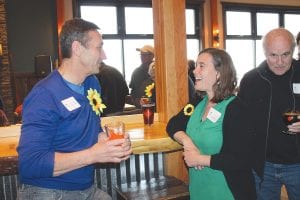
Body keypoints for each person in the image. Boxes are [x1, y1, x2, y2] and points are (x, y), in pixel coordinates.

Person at [17, 18, 132, 200]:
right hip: (46, 191)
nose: (104, 55)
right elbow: (31, 163)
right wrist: (94, 155)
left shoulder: (91, 83)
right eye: (98, 48)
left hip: (85, 188)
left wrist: (106, 140)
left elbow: (90, 129)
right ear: (77, 48)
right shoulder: (44, 95)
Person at [166, 48, 256, 200]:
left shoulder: (236, 108)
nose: (195, 71)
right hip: (200, 189)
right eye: (196, 65)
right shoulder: (197, 102)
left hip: (227, 191)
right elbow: (173, 125)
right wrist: (188, 143)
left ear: (219, 73)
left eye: (202, 66)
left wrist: (199, 159)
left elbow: (243, 159)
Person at [238, 28, 300, 200]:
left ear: (293, 52)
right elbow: (241, 121)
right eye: (273, 55)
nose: (279, 62)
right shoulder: (251, 79)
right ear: (264, 53)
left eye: (285, 54)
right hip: (263, 165)